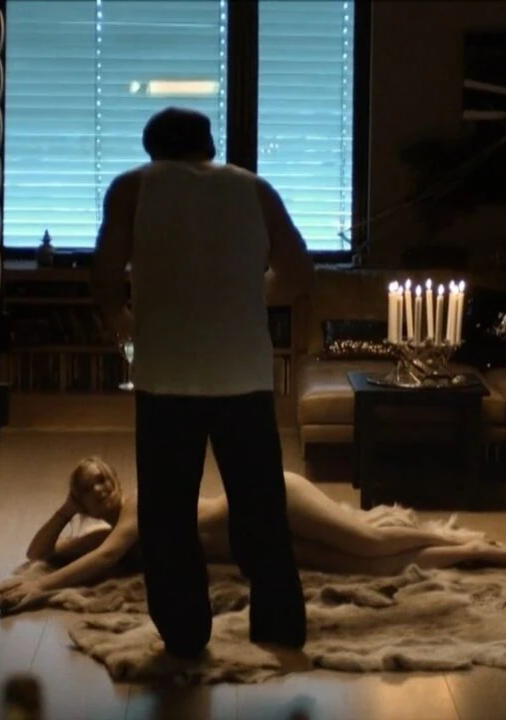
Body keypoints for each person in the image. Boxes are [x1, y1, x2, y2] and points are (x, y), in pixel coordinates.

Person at [90, 107, 316, 658]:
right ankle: (279, 625)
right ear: (209, 145)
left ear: (152, 149)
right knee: (261, 506)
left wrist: (123, 322)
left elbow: (105, 274)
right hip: (243, 374)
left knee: (167, 513)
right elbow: (297, 272)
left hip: (166, 375)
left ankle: (185, 634)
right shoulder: (254, 188)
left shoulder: (131, 188)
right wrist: (251, 294)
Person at [0, 458, 506, 613]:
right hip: (260, 544)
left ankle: (469, 544)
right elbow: (41, 553)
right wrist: (65, 511)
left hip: (271, 499)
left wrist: (41, 589)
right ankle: (469, 552)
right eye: (89, 489)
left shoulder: (137, 506)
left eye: (103, 477)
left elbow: (96, 558)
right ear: (85, 504)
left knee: (365, 541)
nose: (102, 487)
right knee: (368, 567)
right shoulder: (112, 534)